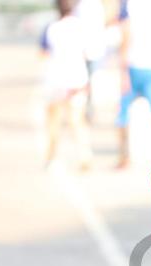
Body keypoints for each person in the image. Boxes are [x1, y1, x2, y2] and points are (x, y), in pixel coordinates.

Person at [40, 0, 92, 169]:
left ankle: (51, 158)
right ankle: (84, 157)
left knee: (54, 122)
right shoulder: (81, 27)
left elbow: (43, 53)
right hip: (77, 79)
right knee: (77, 121)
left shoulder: (51, 28)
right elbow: (88, 54)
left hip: (57, 81)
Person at [116, 0, 151, 168]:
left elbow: (125, 34)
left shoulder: (128, 4)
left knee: (123, 113)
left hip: (134, 64)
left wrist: (122, 69)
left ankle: (124, 157)